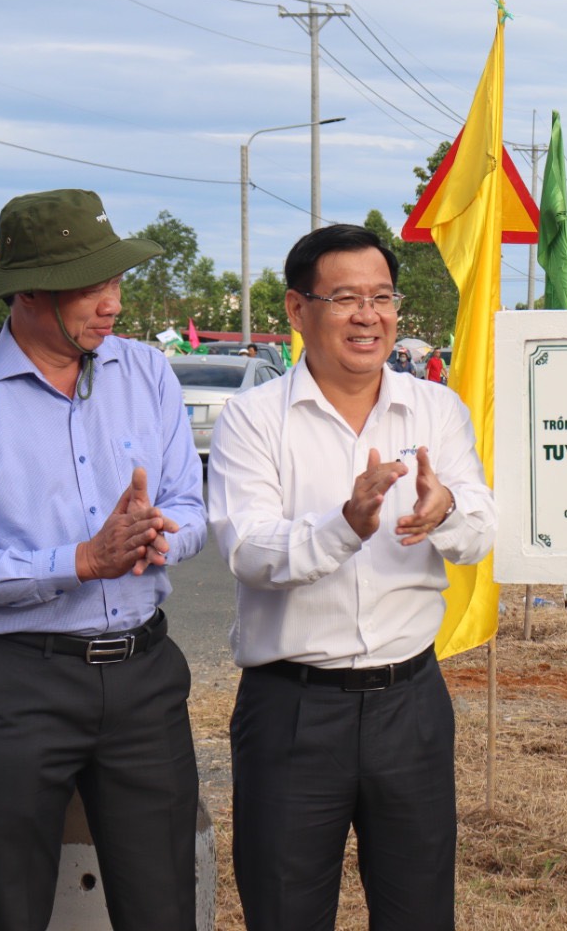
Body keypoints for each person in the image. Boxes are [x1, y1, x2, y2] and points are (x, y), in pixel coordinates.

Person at [0, 189, 206, 931]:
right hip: (21, 686)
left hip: (144, 679)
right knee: (10, 903)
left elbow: (193, 508)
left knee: (162, 900)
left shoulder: (148, 373)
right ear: (27, 293)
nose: (111, 304)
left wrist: (162, 533)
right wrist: (79, 560)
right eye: (90, 286)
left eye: (116, 281)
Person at [208, 224, 495, 931]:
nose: (368, 316)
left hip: (410, 704)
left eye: (381, 297)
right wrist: (346, 525)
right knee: (285, 909)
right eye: (344, 298)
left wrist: (444, 508)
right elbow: (249, 548)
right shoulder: (253, 420)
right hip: (293, 709)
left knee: (419, 911)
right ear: (297, 310)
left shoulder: (436, 409)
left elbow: (484, 532)